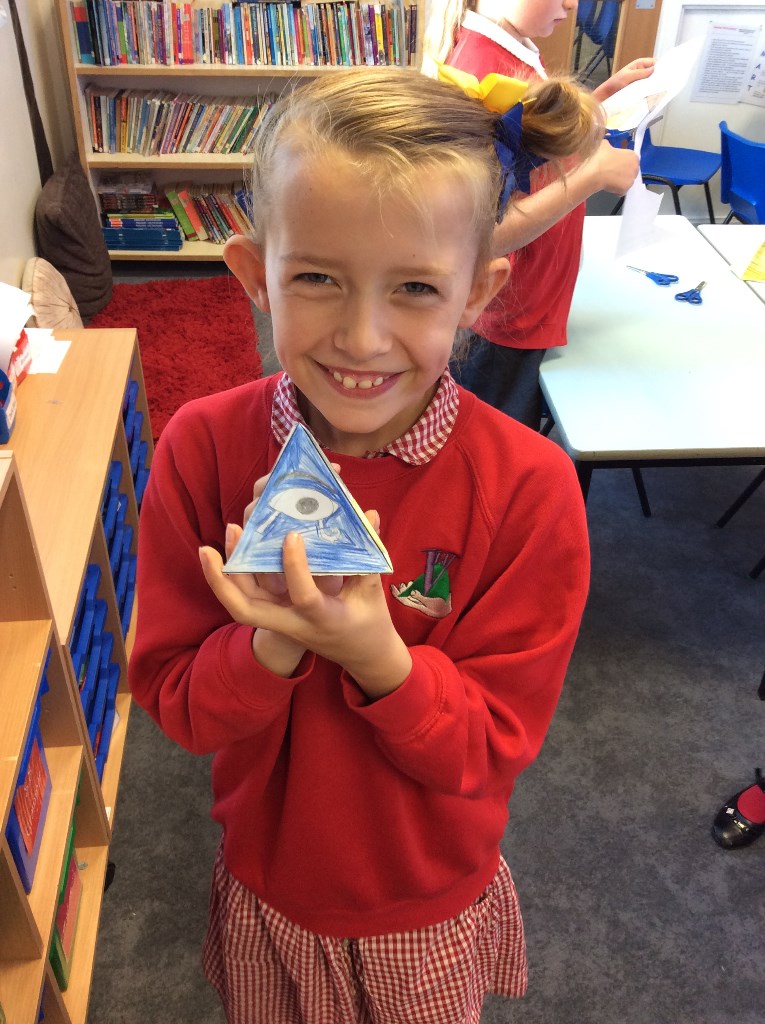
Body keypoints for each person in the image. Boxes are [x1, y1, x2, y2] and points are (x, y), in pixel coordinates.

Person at [129, 66, 594, 1023]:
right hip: (269, 883)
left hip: (426, 901)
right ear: (254, 275)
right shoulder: (202, 447)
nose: (362, 336)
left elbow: (490, 746)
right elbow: (179, 709)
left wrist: (377, 655)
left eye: (415, 288)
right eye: (316, 278)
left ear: (478, 293)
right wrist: (272, 641)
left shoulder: (530, 488)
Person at [423, 0, 656, 428]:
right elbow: (484, 234)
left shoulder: (512, 47)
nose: (572, 4)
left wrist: (602, 100)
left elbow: (533, 151)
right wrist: (592, 176)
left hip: (525, 301)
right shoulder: (485, 72)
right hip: (505, 317)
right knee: (496, 433)